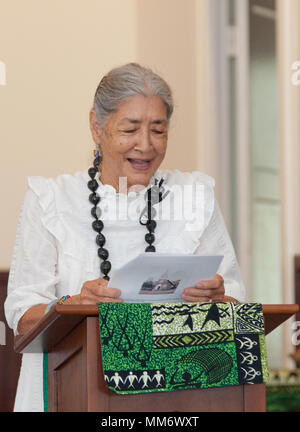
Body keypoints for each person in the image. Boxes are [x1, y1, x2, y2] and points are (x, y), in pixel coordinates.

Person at [5, 62, 245, 412]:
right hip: (70, 393)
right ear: (96, 126)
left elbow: (236, 305)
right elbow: (21, 314)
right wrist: (71, 305)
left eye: (158, 130)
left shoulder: (194, 195)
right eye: (130, 129)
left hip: (176, 399)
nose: (145, 146)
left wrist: (217, 299)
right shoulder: (51, 199)